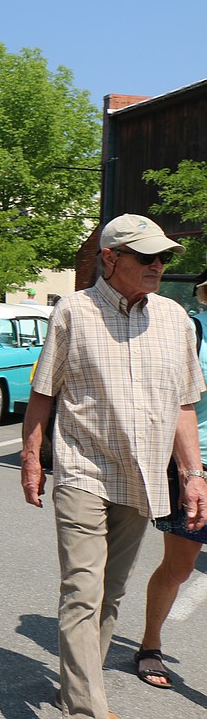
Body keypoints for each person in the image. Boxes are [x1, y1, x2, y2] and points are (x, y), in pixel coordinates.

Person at [21, 214, 207, 717]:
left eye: (163, 257)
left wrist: (193, 476)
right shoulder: (73, 313)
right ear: (110, 258)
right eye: (146, 257)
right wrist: (31, 458)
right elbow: (43, 393)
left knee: (110, 593)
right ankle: (87, 709)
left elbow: (184, 406)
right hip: (83, 471)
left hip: (143, 476)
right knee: (82, 589)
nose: (158, 266)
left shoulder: (174, 319)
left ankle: (75, 686)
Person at [134, 266, 207, 689]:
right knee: (179, 568)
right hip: (198, 468)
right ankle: (150, 643)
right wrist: (188, 471)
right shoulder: (192, 332)